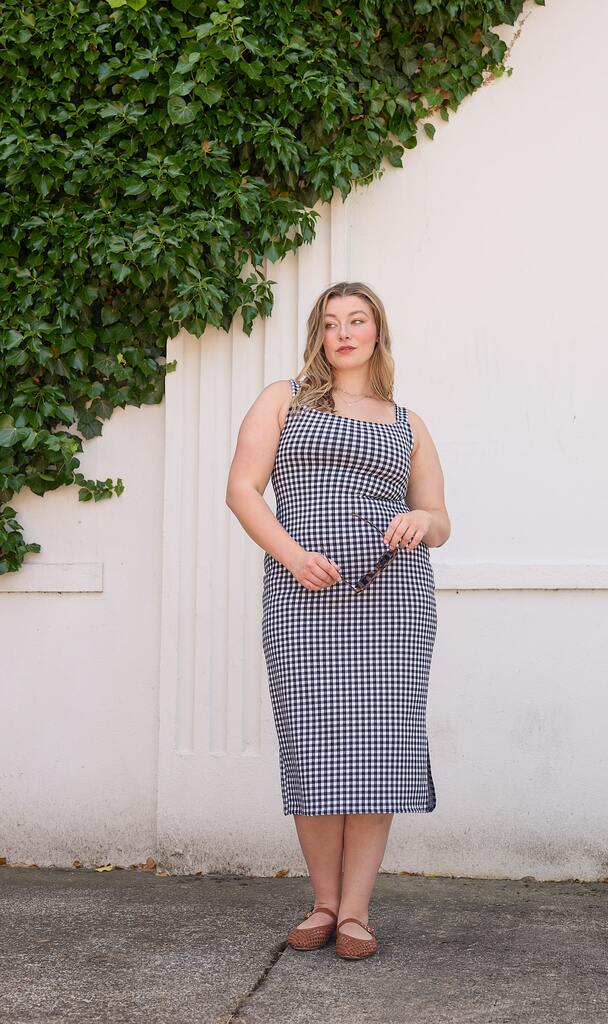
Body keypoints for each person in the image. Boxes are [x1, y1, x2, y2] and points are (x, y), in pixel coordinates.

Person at [226, 281, 450, 959]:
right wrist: (293, 557)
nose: (344, 333)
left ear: (376, 332)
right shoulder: (283, 399)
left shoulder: (407, 423)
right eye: (331, 323)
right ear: (318, 335)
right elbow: (242, 490)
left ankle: (355, 913)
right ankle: (322, 903)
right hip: (302, 595)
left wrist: (420, 520)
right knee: (314, 746)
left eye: (356, 321)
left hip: (392, 598)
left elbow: (440, 520)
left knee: (379, 750)